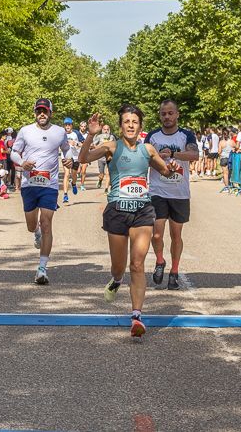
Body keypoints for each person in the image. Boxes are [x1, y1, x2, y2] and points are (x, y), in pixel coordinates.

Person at [78, 106, 175, 338]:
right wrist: (91, 134)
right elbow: (83, 158)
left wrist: (171, 168)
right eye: (126, 121)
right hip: (117, 211)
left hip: (142, 209)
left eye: (135, 121)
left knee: (138, 264)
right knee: (119, 267)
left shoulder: (148, 149)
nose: (131, 125)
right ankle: (116, 280)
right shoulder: (111, 147)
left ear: (141, 126)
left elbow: (166, 172)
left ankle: (136, 316)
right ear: (120, 125)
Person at [10, 98, 73, 286]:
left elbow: (67, 151)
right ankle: (34, 231)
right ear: (35, 113)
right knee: (32, 225)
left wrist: (69, 160)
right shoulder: (25, 131)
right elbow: (14, 152)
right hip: (30, 184)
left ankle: (42, 268)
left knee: (47, 223)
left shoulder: (59, 132)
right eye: (39, 111)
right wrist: (22, 163)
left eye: (45, 111)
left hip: (50, 184)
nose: (42, 114)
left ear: (51, 112)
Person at [146, 100, 199, 290]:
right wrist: (158, 158)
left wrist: (174, 155)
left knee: (176, 234)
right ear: (159, 115)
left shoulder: (186, 135)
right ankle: (160, 261)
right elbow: (145, 158)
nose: (167, 117)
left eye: (170, 113)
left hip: (179, 192)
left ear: (177, 115)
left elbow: (194, 156)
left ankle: (174, 272)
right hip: (157, 191)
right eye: (163, 114)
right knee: (157, 233)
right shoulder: (153, 136)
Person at [61, 118, 80, 203]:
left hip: (75, 157)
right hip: (65, 157)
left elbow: (83, 143)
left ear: (72, 125)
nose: (67, 126)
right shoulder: (61, 134)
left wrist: (75, 143)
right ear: (64, 126)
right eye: (66, 124)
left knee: (74, 175)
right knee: (67, 174)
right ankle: (65, 195)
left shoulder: (76, 133)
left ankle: (74, 183)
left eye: (69, 124)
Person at [92, 122, 116, 189]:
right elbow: (94, 145)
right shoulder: (99, 137)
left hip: (109, 158)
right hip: (101, 158)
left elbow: (115, 146)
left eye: (107, 129)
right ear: (102, 130)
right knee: (101, 175)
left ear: (109, 130)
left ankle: (106, 189)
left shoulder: (112, 137)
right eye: (105, 129)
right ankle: (100, 180)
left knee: (108, 173)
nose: (106, 131)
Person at [77, 120, 90, 190]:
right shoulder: (76, 134)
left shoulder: (88, 134)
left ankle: (82, 185)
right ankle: (76, 175)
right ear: (80, 127)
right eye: (82, 126)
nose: (83, 128)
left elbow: (90, 143)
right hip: (77, 154)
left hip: (85, 154)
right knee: (78, 171)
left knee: (83, 171)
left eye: (84, 126)